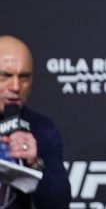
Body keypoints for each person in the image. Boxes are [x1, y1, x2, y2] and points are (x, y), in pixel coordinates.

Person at [0, 35, 71, 208]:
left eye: (24, 77)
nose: (16, 86)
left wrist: (34, 165)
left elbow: (58, 204)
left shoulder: (42, 128)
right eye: (5, 76)